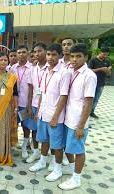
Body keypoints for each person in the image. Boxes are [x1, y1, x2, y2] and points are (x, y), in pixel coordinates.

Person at [29, 44, 72, 182]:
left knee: (57, 145)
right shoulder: (46, 71)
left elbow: (63, 97)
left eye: (54, 55)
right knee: (44, 140)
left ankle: (57, 169)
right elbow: (42, 92)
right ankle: (42, 161)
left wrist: (55, 117)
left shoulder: (64, 72)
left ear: (60, 55)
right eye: (48, 54)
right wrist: (39, 111)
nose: (50, 57)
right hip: (43, 113)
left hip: (55, 116)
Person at [59, 43, 97, 190]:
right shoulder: (71, 71)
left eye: (78, 56)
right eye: (72, 56)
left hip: (78, 121)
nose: (74, 59)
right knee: (67, 148)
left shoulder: (89, 76)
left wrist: (81, 126)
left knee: (78, 150)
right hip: (68, 118)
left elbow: (88, 103)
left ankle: (76, 179)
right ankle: (72, 169)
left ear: (86, 57)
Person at [26, 42, 47, 164]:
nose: (37, 54)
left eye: (40, 51)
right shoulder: (32, 69)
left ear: (45, 52)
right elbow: (30, 89)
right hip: (33, 104)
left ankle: (47, 157)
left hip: (46, 106)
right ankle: (35, 152)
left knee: (45, 133)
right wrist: (29, 106)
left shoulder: (50, 68)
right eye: (35, 52)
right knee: (33, 130)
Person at [10, 45, 32, 159]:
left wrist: (29, 104)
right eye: (19, 52)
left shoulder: (32, 68)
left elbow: (32, 88)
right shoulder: (12, 68)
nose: (21, 54)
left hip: (24, 103)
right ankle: (12, 144)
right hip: (14, 103)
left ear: (28, 53)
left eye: (24, 52)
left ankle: (24, 146)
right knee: (13, 125)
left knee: (26, 126)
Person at [88, 47, 112, 119]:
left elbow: (109, 74)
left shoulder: (107, 61)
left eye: (106, 55)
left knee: (96, 99)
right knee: (89, 98)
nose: (105, 56)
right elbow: (88, 70)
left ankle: (91, 112)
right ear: (100, 52)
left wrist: (108, 71)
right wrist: (100, 69)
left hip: (101, 83)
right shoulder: (93, 60)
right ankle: (86, 112)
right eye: (104, 54)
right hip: (92, 83)